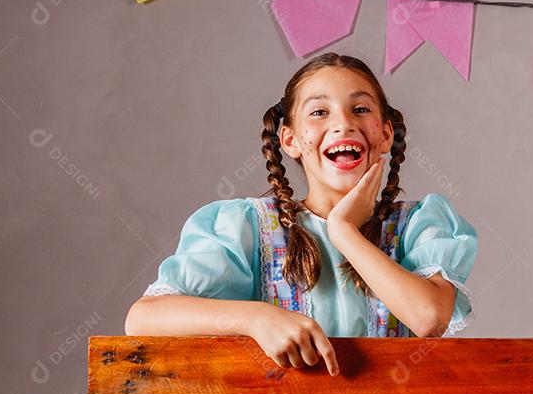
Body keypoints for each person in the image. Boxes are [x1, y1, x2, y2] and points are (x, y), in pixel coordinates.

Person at [125, 53, 477, 373]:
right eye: (320, 112)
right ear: (290, 140)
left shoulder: (419, 224)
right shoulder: (248, 228)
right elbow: (144, 318)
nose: (343, 124)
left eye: (360, 109)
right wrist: (257, 319)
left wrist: (344, 232)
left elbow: (429, 317)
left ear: (385, 135)